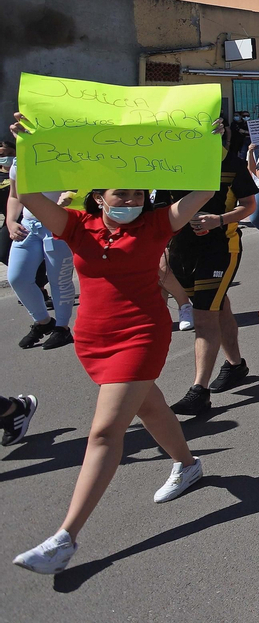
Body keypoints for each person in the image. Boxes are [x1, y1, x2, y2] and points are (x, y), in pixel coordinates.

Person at [9, 114, 221, 574]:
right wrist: (30, 145)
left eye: (137, 192)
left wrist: (209, 146)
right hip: (92, 338)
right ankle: (187, 465)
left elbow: (202, 191)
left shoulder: (156, 225)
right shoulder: (75, 225)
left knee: (105, 432)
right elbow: (26, 195)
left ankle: (66, 538)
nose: (131, 199)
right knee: (150, 409)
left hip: (141, 334)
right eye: (120, 192)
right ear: (99, 196)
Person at [164, 130, 259, 418]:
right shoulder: (167, 161)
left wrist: (218, 219)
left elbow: (249, 205)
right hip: (180, 251)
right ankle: (235, 364)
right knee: (218, 307)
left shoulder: (230, 163)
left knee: (204, 315)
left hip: (221, 248)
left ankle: (199, 391)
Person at [6, 184, 76, 350]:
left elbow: (83, 186)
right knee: (17, 278)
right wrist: (10, 221)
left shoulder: (62, 159)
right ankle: (43, 322)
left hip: (59, 223)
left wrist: (71, 195)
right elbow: (15, 195)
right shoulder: (19, 162)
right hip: (27, 226)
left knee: (59, 280)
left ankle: (62, 328)